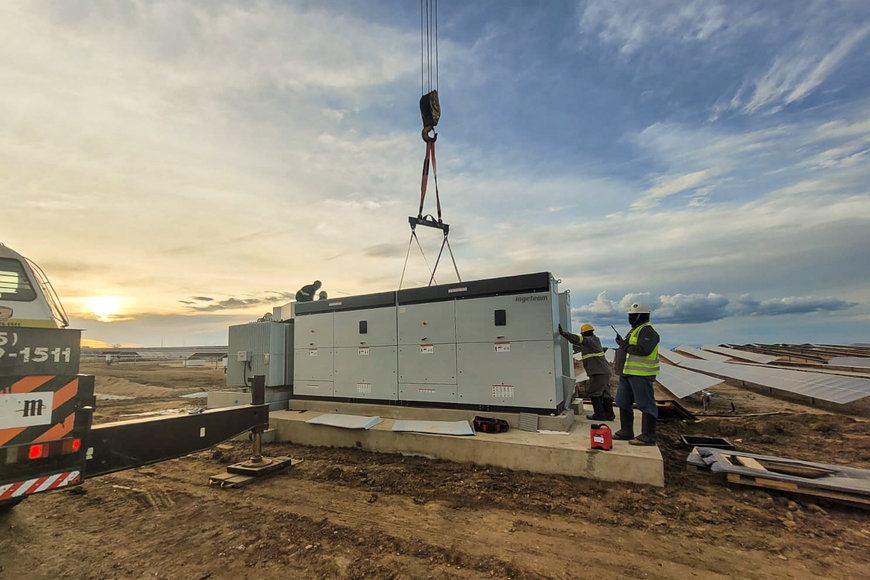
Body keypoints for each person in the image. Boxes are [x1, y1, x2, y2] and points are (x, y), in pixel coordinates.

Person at [613, 302, 660, 446]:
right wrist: (623, 344)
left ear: (641, 315)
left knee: (646, 404)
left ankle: (648, 435)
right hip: (626, 373)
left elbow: (643, 350)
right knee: (623, 401)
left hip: (641, 374)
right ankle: (626, 431)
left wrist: (624, 345)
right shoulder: (634, 330)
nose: (630, 318)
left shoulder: (647, 331)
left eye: (632, 315)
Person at [558, 322, 614, 421]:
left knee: (594, 392)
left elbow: (578, 339)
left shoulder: (589, 340)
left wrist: (563, 333)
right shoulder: (594, 340)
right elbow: (576, 341)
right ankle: (609, 414)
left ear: (584, 334)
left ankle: (600, 415)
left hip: (598, 372)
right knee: (605, 392)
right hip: (604, 371)